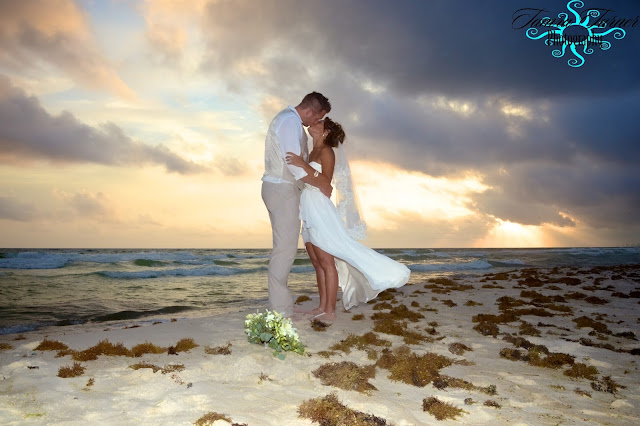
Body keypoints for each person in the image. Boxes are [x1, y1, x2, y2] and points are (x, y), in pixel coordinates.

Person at [286, 118, 410, 321]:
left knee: (327, 263)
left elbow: (326, 181)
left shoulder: (327, 151)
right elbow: (312, 180)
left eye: (319, 122)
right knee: (317, 262)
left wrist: (302, 165)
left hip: (320, 209)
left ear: (325, 132)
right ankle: (321, 307)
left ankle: (330, 311)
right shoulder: (311, 152)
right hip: (307, 208)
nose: (314, 123)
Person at [261, 92, 332, 318]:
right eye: (317, 117)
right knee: (284, 251)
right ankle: (280, 310)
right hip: (282, 189)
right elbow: (295, 166)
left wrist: (319, 182)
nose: (315, 123)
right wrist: (321, 183)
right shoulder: (290, 121)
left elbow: (299, 164)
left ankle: (282, 305)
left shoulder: (291, 121)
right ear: (310, 111)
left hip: (284, 189)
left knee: (285, 249)